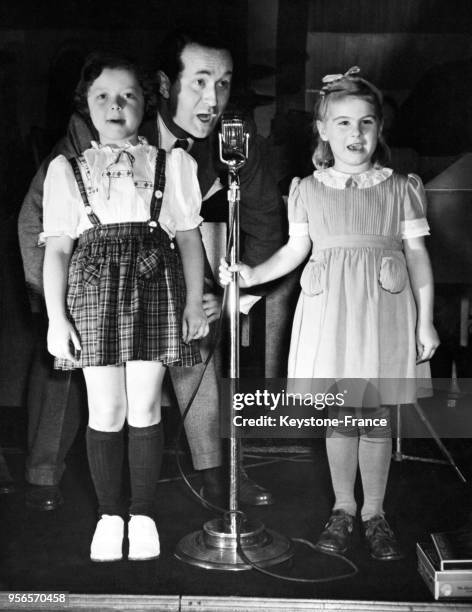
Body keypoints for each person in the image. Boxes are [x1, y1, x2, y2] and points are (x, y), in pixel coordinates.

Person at [18, 29, 286, 510]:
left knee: (199, 341)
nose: (213, 99)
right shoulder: (90, 138)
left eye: (223, 84)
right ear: (163, 86)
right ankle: (43, 474)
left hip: (164, 275)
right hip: (85, 272)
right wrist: (61, 309)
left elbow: (266, 223)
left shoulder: (236, 141)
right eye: (200, 83)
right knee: (63, 360)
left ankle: (218, 475)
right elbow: (39, 227)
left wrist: (230, 300)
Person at [220, 66, 440, 561]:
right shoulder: (308, 189)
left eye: (365, 123)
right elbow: (296, 250)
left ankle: (374, 513)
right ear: (322, 129)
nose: (355, 134)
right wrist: (251, 275)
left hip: (383, 307)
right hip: (331, 311)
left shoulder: (400, 186)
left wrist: (425, 320)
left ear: (379, 129)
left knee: (376, 415)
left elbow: (420, 257)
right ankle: (343, 509)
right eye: (342, 123)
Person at [42, 53, 209, 561]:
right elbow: (58, 249)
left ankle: (142, 513)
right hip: (93, 292)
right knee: (106, 408)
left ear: (146, 103)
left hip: (153, 288)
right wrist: (56, 318)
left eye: (129, 96)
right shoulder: (65, 170)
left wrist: (195, 304)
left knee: (143, 405)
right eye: (103, 97)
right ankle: (109, 515)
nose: (116, 106)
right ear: (86, 106)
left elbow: (188, 237)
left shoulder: (171, 163)